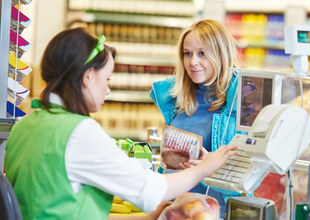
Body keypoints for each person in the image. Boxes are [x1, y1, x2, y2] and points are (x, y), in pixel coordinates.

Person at [4, 27, 238, 220]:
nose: (107, 89)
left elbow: (71, 208)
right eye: (106, 79)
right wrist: (205, 168)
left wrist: (144, 218)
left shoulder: (24, 125)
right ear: (87, 78)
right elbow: (150, 191)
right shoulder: (79, 132)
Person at [149, 19, 244, 217]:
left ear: (221, 54)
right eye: (187, 53)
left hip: (213, 212)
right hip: (173, 210)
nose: (193, 62)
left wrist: (210, 166)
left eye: (202, 53)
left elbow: (248, 178)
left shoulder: (241, 103)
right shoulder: (175, 99)